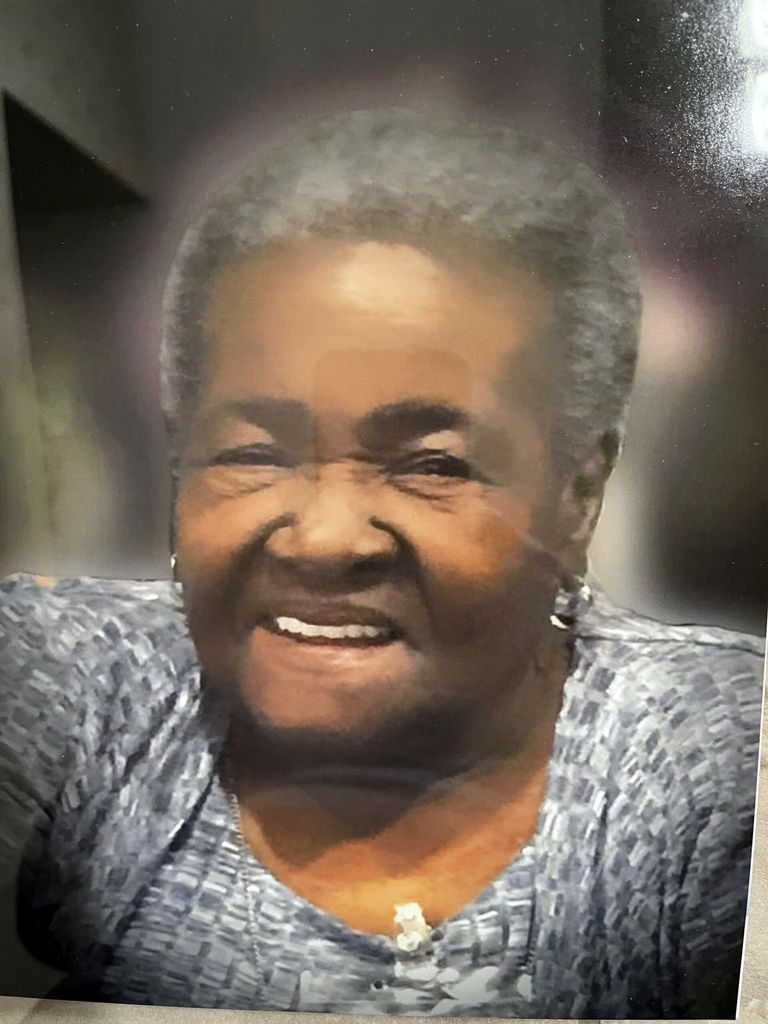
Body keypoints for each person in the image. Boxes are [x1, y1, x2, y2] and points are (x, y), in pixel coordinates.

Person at [0, 107, 763, 1018]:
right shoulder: (82, 673)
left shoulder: (709, 747)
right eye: (253, 452)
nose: (325, 539)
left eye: (432, 465)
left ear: (577, 497)